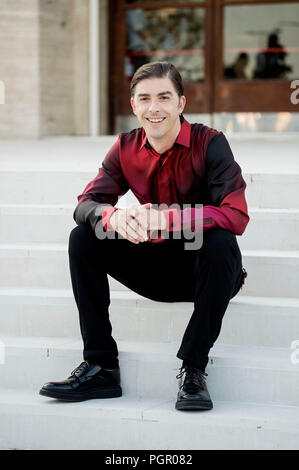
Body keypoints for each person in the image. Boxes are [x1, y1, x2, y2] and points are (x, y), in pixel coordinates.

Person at [39, 61, 249, 411]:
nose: (155, 108)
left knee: (221, 241)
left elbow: (236, 215)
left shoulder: (210, 144)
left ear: (181, 104)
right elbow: (84, 204)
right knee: (84, 237)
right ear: (133, 105)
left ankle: (193, 369)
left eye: (165, 97)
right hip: (154, 269)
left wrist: (169, 218)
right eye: (145, 98)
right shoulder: (124, 147)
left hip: (208, 274)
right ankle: (101, 366)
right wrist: (114, 216)